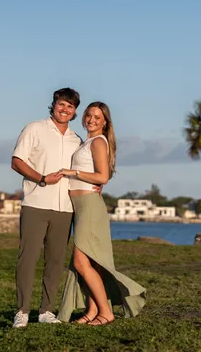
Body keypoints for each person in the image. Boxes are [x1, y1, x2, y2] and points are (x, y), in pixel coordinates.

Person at [56, 101, 147, 326]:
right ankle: (92, 311)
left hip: (89, 207)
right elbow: (99, 175)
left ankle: (106, 312)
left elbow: (102, 177)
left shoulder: (98, 141)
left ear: (105, 122)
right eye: (89, 115)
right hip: (81, 206)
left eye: (97, 117)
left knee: (80, 262)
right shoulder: (86, 141)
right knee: (93, 262)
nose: (92, 120)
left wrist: (72, 172)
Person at [10, 87, 91, 328]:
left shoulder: (77, 140)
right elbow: (16, 161)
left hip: (66, 208)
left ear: (75, 111)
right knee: (28, 258)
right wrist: (42, 178)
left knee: (55, 261)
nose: (65, 109)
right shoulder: (34, 128)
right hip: (36, 203)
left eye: (70, 106)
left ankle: (46, 311)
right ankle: (22, 311)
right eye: (61, 104)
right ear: (53, 104)